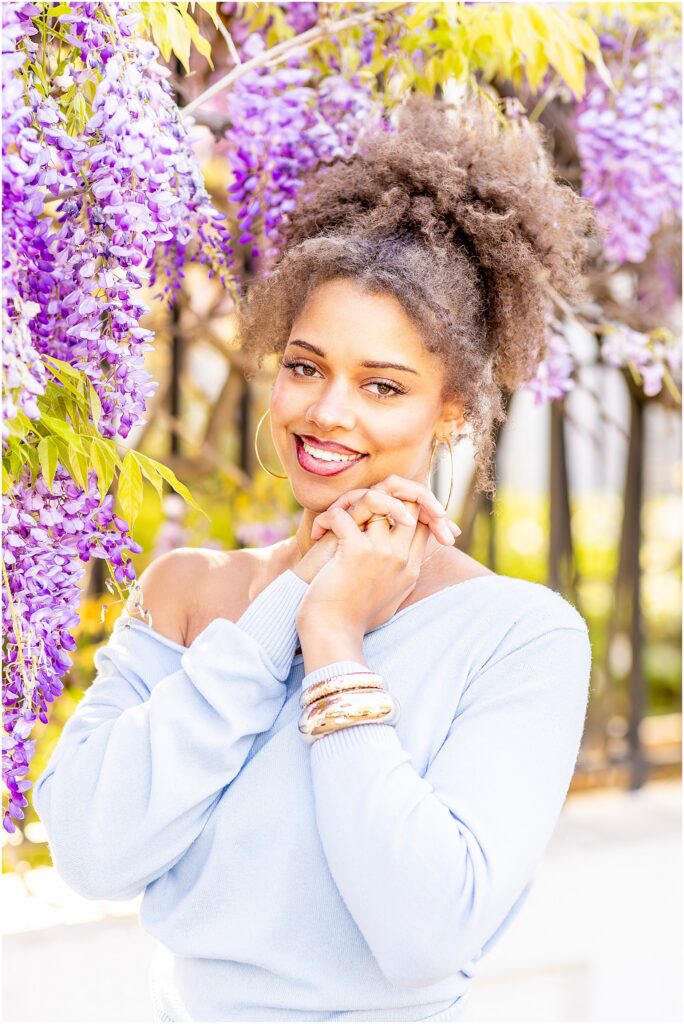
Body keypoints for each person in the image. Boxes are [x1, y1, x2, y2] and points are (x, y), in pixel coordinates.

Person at [34, 90, 596, 1022]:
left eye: (383, 385)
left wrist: (333, 635)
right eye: (305, 367)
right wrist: (279, 606)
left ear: (451, 409)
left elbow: (424, 935)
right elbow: (92, 853)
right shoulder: (188, 591)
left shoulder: (521, 638)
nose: (328, 414)